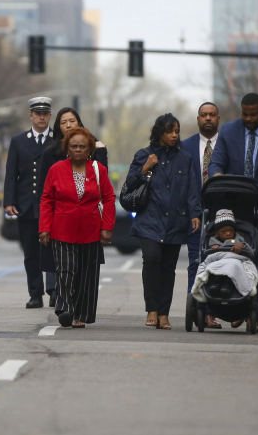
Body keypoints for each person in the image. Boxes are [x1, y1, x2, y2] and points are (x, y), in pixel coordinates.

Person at [208, 92, 258, 327]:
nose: (248, 118)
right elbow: (217, 162)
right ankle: (231, 302)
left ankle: (253, 308)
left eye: (253, 114)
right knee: (231, 254)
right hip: (233, 208)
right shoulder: (228, 131)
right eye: (245, 114)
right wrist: (217, 179)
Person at [125, 113, 202, 330]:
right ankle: (152, 308)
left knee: (168, 267)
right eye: (170, 131)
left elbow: (192, 189)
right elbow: (130, 183)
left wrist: (195, 213)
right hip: (149, 219)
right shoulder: (144, 154)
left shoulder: (185, 158)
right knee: (151, 258)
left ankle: (164, 313)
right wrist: (144, 168)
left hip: (176, 221)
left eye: (177, 131)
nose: (174, 135)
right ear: (160, 132)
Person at [39, 127, 115, 328]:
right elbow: (47, 199)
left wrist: (107, 227)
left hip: (91, 230)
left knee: (86, 274)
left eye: (82, 146)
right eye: (74, 146)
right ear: (67, 149)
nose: (78, 150)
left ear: (90, 149)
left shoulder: (99, 170)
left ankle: (81, 314)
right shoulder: (56, 170)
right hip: (62, 229)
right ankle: (65, 309)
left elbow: (108, 198)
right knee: (65, 269)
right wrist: (44, 227)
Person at [4, 96, 56, 309]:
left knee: (52, 251)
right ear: (31, 115)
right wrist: (9, 202)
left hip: (51, 206)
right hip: (26, 205)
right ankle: (35, 294)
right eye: (38, 113)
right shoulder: (18, 140)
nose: (42, 117)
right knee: (30, 253)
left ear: (50, 115)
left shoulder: (59, 140)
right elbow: (11, 173)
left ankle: (54, 291)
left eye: (45, 113)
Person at [180, 102, 222, 328]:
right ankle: (198, 309)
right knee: (196, 261)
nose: (207, 118)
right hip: (194, 215)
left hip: (224, 215)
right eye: (203, 115)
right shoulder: (185, 147)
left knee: (221, 260)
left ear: (218, 118)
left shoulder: (227, 145)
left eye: (212, 115)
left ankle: (217, 309)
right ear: (197, 119)